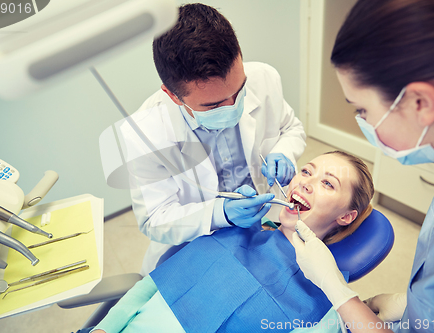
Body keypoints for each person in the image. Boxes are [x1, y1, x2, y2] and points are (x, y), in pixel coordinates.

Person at [292, 1, 434, 332]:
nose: (362, 121)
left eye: (362, 110)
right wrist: (410, 306)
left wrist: (340, 296)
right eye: (307, 171)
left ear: (421, 103)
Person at [81, 151, 374, 333]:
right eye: (307, 171)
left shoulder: (329, 303)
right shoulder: (232, 233)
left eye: (327, 183)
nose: (305, 183)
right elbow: (149, 287)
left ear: (346, 217)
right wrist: (104, 328)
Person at [117, 3, 306, 276]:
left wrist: (284, 152)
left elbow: (292, 128)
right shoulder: (144, 131)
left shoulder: (265, 78)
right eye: (214, 105)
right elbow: (154, 220)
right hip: (196, 246)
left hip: (266, 225)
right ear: (173, 95)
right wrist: (222, 213)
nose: (232, 107)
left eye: (239, 92)